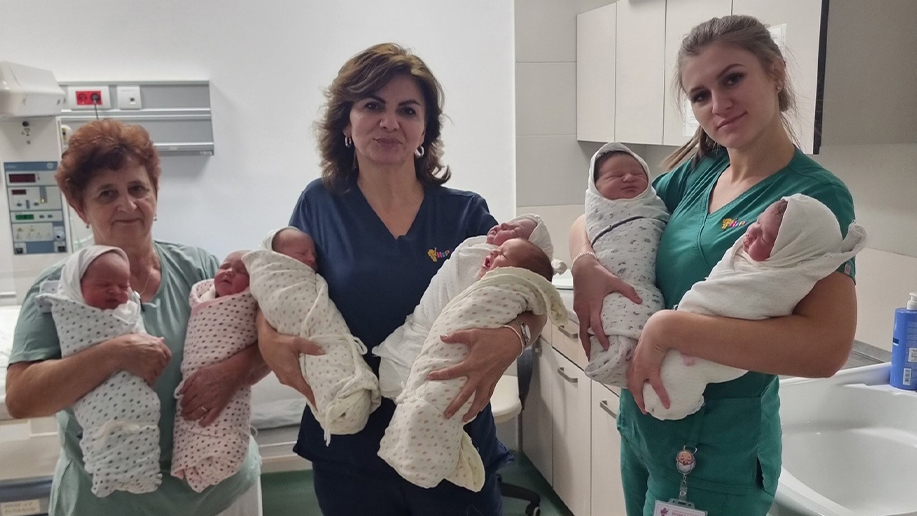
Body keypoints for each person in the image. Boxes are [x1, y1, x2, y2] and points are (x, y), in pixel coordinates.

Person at [569, 15, 858, 515]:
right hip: (644, 423)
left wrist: (668, 329)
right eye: (700, 95)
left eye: (732, 79)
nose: (718, 105)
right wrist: (583, 262)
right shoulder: (698, 174)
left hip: (714, 450)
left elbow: (825, 349)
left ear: (774, 71)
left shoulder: (811, 197)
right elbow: (600, 217)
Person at [256, 43, 545, 515]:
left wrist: (515, 339)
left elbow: (530, 299)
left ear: (424, 130)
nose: (389, 122)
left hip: (449, 430)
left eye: (407, 110)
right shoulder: (320, 204)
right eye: (373, 105)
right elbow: (284, 289)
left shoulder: (464, 213)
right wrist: (268, 339)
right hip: (352, 444)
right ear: (346, 122)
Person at [5, 119, 267, 516]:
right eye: (107, 193)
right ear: (80, 207)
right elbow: (22, 398)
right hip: (111, 501)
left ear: (156, 194)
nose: (127, 205)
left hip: (222, 492)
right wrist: (113, 354)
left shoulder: (199, 269)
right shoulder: (59, 289)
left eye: (138, 189)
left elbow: (264, 344)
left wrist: (235, 370)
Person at [642, 195, 866, 420]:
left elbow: (824, 352)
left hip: (728, 423)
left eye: (764, 237)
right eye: (756, 222)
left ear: (788, 253)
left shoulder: (781, 277)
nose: (750, 232)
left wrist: (668, 328)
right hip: (639, 421)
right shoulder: (686, 181)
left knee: (675, 384)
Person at [379, 238, 564, 492]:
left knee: (437, 406)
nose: (493, 252)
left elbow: (538, 301)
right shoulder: (325, 220)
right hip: (360, 430)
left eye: (501, 254)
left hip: (463, 404)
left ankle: (435, 455)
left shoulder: (482, 228)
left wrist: (514, 337)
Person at [374, 213, 558, 400]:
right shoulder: (480, 247)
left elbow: (538, 305)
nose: (504, 225)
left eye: (515, 230)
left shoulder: (469, 212)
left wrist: (514, 337)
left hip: (452, 368)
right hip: (383, 362)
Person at [35, 245, 161, 498]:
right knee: (106, 433)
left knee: (141, 424)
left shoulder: (129, 309)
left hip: (137, 399)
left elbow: (139, 331)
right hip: (98, 403)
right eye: (104, 285)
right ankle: (107, 473)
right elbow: (20, 401)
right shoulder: (72, 311)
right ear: (75, 286)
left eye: (123, 285)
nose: (115, 291)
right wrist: (116, 353)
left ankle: (144, 472)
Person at [244, 227, 380, 443]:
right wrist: (267, 338)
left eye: (314, 254)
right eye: (302, 254)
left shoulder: (443, 216)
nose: (311, 259)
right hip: (324, 356)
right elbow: (271, 294)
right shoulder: (312, 213)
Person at [581, 142, 668, 387]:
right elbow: (583, 224)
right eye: (615, 176)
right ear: (595, 189)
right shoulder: (600, 215)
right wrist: (583, 262)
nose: (629, 178)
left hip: (648, 290)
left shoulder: (655, 205)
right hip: (614, 286)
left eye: (638, 174)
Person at [172, 250, 259, 493]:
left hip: (232, 489)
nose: (229, 271)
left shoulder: (250, 304)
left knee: (223, 430)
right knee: (192, 422)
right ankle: (191, 462)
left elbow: (275, 344)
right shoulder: (202, 296)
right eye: (225, 266)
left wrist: (233, 370)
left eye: (241, 271)